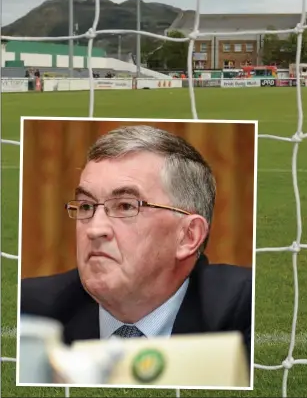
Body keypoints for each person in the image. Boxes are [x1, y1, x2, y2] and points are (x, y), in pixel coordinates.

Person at [20, 125, 252, 364]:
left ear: (188, 236)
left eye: (126, 206)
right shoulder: (29, 310)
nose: (94, 229)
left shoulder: (244, 309)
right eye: (87, 206)